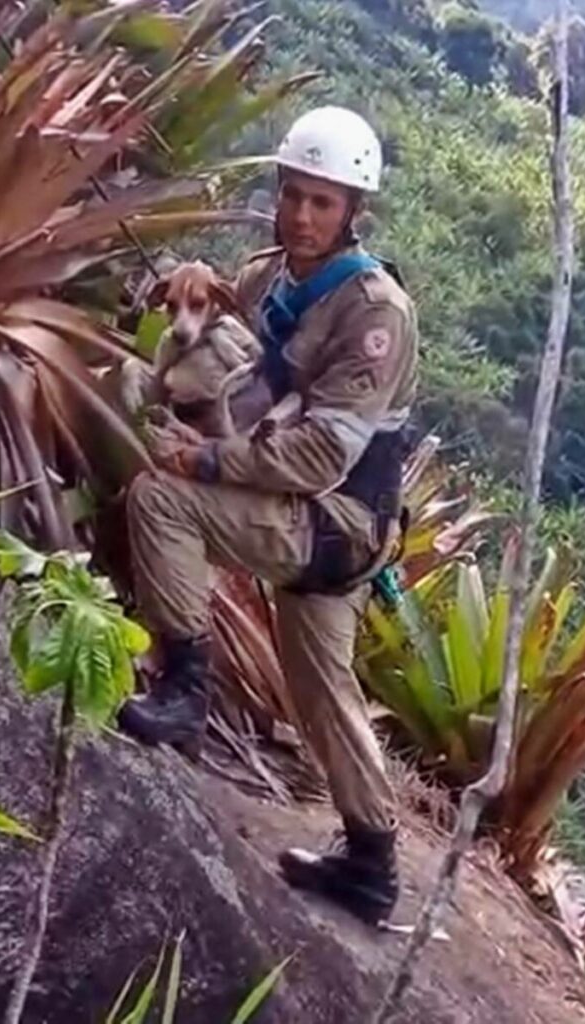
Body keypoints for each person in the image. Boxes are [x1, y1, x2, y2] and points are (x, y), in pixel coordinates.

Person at [118, 106, 419, 925]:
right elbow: (229, 369)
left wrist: (204, 461)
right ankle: (369, 861)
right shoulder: (263, 277)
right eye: (293, 193)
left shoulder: (373, 313)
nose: (301, 214)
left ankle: (183, 689)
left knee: (160, 500)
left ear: (352, 209)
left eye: (323, 201)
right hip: (303, 508)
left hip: (337, 519)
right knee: (323, 690)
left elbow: (322, 455)